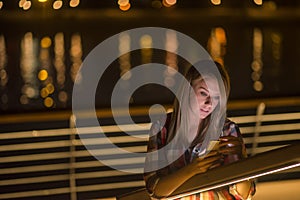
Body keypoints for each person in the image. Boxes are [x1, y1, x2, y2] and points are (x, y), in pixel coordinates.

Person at [144, 60, 256, 200]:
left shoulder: (226, 130)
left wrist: (242, 160)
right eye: (203, 93)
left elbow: (243, 195)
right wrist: (193, 169)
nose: (209, 104)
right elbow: (155, 189)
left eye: (216, 97)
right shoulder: (162, 127)